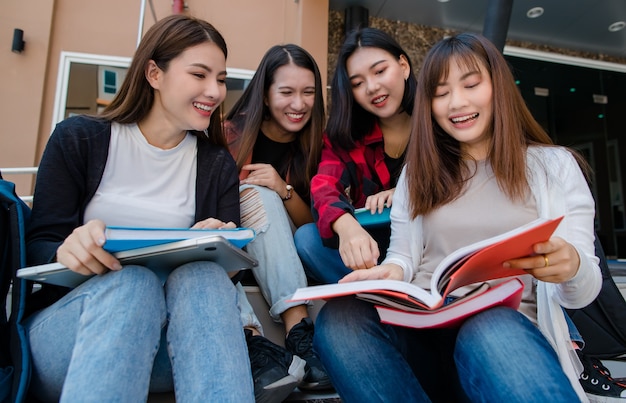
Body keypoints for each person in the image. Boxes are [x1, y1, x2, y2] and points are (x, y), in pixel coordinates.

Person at [312, 32, 603, 402]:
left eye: (471, 84)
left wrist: (572, 265)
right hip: (424, 340)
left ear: (497, 85)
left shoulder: (554, 167)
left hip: (506, 346)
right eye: (441, 92)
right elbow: (403, 255)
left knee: (488, 324)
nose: (457, 103)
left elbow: (583, 291)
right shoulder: (418, 174)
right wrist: (393, 271)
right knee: (338, 319)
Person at [23, 15, 254, 402]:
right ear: (154, 73)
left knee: (204, 277)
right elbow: (38, 245)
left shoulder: (216, 164)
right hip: (71, 336)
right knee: (133, 284)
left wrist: (219, 248)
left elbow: (219, 290)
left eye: (220, 79)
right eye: (199, 74)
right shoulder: (78, 139)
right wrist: (66, 250)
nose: (215, 91)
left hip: (170, 347)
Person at [225, 44, 331, 400]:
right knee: (253, 193)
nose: (298, 104)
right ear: (266, 94)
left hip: (285, 255)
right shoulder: (228, 136)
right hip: (232, 252)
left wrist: (283, 189)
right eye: (286, 92)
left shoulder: (317, 145)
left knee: (265, 192)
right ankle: (294, 332)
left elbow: (313, 228)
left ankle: (298, 334)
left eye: (308, 93)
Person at [294, 27, 417, 284]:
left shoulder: (437, 120)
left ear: (403, 65)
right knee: (307, 238)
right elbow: (324, 185)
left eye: (380, 71)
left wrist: (406, 191)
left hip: (427, 246)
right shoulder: (347, 137)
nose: (372, 87)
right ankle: (378, 298)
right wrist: (347, 226)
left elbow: (461, 176)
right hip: (371, 249)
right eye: (358, 83)